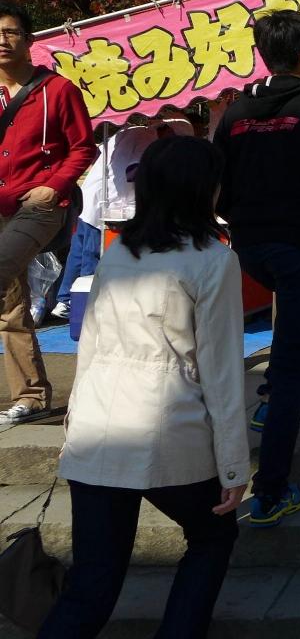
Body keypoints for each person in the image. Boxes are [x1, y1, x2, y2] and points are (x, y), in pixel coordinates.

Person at [40, 136, 247, 639]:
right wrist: (235, 462)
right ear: (206, 190)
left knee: (93, 583)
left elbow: (89, 345)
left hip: (97, 427)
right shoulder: (214, 260)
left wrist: (75, 425)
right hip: (166, 426)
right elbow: (220, 371)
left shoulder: (118, 253)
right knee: (213, 534)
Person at [213, 10, 300, 527]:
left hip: (249, 248)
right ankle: (271, 488)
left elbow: (221, 189)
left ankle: (269, 399)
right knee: (295, 360)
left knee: (281, 343)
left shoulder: (234, 115)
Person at [0, 3, 97, 424]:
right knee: (10, 301)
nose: (2, 41)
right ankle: (31, 396)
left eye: (11, 32)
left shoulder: (57, 90)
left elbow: (83, 148)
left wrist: (54, 185)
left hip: (38, 205)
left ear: (30, 40)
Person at [51, 112, 192, 321]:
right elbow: (133, 172)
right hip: (105, 203)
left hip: (93, 198)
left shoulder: (130, 132)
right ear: (169, 131)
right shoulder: (145, 138)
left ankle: (65, 300)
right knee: (92, 255)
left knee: (78, 253)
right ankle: (86, 307)